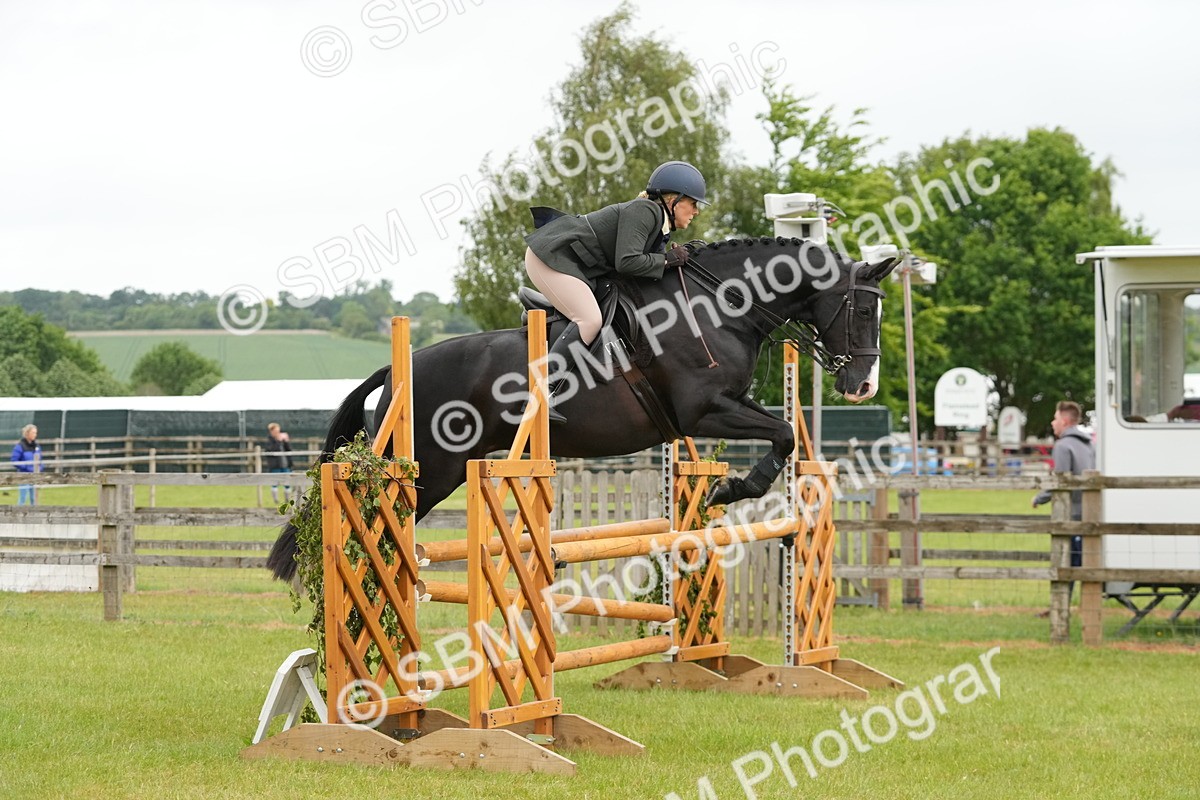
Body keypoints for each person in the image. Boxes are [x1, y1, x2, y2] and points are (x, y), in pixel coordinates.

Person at [522, 160, 707, 423]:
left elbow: (643, 274)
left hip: (574, 264)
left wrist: (671, 261)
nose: (696, 211)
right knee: (590, 319)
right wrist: (667, 261)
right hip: (550, 257)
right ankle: (541, 392)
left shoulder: (658, 226)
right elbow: (628, 262)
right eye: (693, 203)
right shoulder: (646, 211)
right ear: (673, 199)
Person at [1032, 401, 1096, 570]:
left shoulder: (1063, 446)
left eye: (1055, 419)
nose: (1052, 423)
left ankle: (1064, 596)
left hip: (1071, 512)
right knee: (1087, 561)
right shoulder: (1089, 445)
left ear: (1065, 422)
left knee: (1067, 563)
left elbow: (1059, 482)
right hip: (1090, 510)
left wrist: (1039, 498)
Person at [10, 424, 42, 505]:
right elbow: (14, 460)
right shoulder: (20, 446)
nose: (35, 435)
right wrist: (26, 468)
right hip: (23, 475)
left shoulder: (36, 446)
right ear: (27, 433)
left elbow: (40, 460)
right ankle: (18, 515)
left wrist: (40, 468)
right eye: (33, 433)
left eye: (36, 433)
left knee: (34, 498)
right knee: (23, 498)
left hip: (34, 475)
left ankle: (34, 515)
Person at [264, 423, 292, 504]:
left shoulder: (282, 440)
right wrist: (278, 441)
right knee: (274, 483)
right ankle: (276, 500)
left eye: (278, 431)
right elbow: (270, 450)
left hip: (285, 465)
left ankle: (287, 500)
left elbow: (289, 450)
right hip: (275, 466)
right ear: (271, 431)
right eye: (275, 431)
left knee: (287, 483)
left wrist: (286, 441)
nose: (277, 433)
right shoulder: (269, 441)